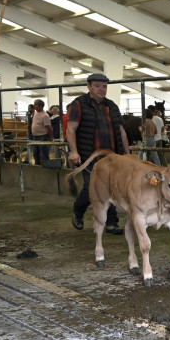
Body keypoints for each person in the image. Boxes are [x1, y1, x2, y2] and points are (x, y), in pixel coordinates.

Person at [66, 72, 130, 235]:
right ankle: (78, 211)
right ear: (89, 86)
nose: (102, 89)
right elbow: (71, 129)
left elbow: (122, 132)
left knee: (111, 188)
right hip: (89, 156)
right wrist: (73, 151)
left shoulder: (111, 106)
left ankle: (111, 222)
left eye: (104, 86)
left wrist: (128, 155)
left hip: (111, 157)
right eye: (97, 86)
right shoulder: (79, 104)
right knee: (91, 187)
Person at [29, 99, 52, 165]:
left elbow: (49, 127)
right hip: (35, 136)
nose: (34, 106)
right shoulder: (35, 114)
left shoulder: (45, 115)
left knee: (43, 154)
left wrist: (50, 137)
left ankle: (45, 168)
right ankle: (37, 167)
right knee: (36, 154)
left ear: (40, 106)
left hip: (42, 136)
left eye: (35, 104)